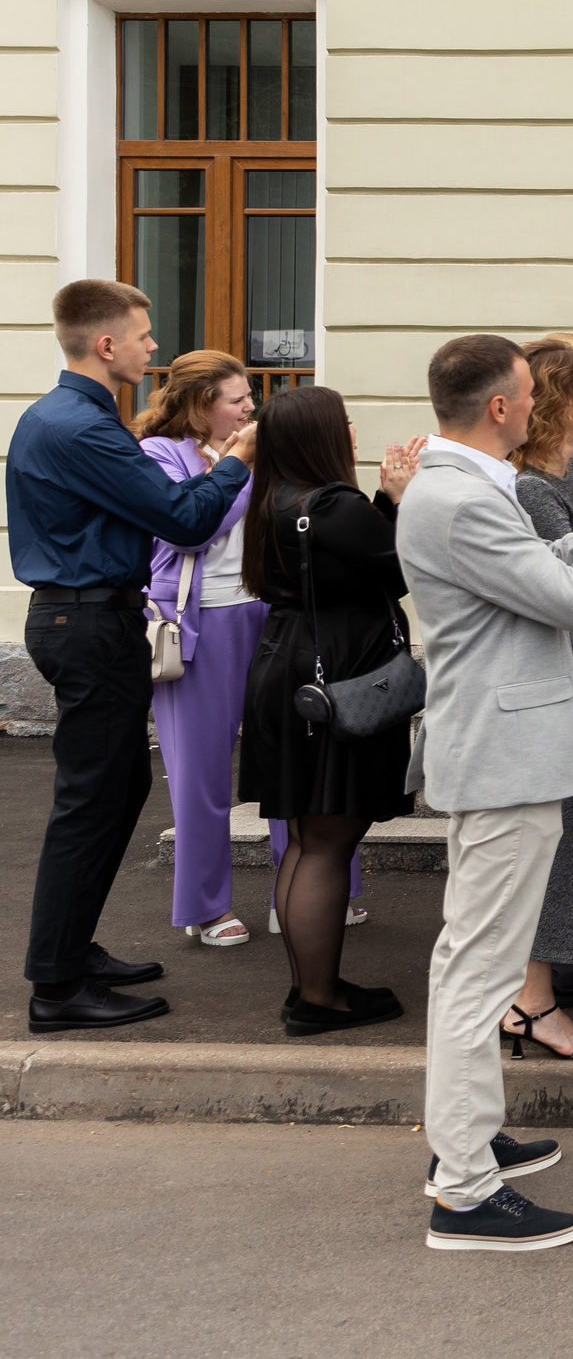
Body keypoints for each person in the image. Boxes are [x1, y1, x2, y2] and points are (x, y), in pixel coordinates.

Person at [402, 335, 573, 1252]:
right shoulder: (455, 498)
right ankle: (463, 1189)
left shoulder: (463, 486)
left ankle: (471, 1137)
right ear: (497, 407)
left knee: (474, 961)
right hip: (504, 757)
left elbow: (551, 563)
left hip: (510, 752)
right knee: (477, 968)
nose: (536, 404)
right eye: (527, 392)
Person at [10, 280, 252, 1032]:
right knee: (91, 802)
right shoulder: (82, 427)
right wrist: (235, 461)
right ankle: (56, 985)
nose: (154, 347)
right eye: (144, 335)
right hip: (84, 622)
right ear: (105, 344)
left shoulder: (75, 417)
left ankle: (73, 952)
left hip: (88, 618)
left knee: (115, 791)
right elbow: (182, 518)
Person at [237, 386, 422, 1035]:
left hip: (287, 666)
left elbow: (351, 562)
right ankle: (318, 998)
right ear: (321, 435)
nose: (349, 427)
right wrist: (397, 500)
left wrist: (383, 503)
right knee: (327, 841)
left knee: (308, 838)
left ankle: (310, 987)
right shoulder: (333, 503)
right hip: (336, 673)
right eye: (341, 420)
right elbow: (397, 570)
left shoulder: (276, 499)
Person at [497, 342, 573, 1060]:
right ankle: (530, 1002)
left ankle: (534, 993)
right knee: (554, 844)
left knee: (572, 840)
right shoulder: (529, 487)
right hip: (554, 684)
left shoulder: (571, 466)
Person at [135, 351, 275, 949]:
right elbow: (189, 524)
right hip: (198, 624)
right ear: (199, 405)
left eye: (250, 397)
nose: (250, 408)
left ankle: (310, 896)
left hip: (268, 613)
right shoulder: (158, 454)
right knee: (201, 775)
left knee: (295, 758)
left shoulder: (260, 451)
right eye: (237, 398)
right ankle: (205, 906)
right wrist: (241, 465)